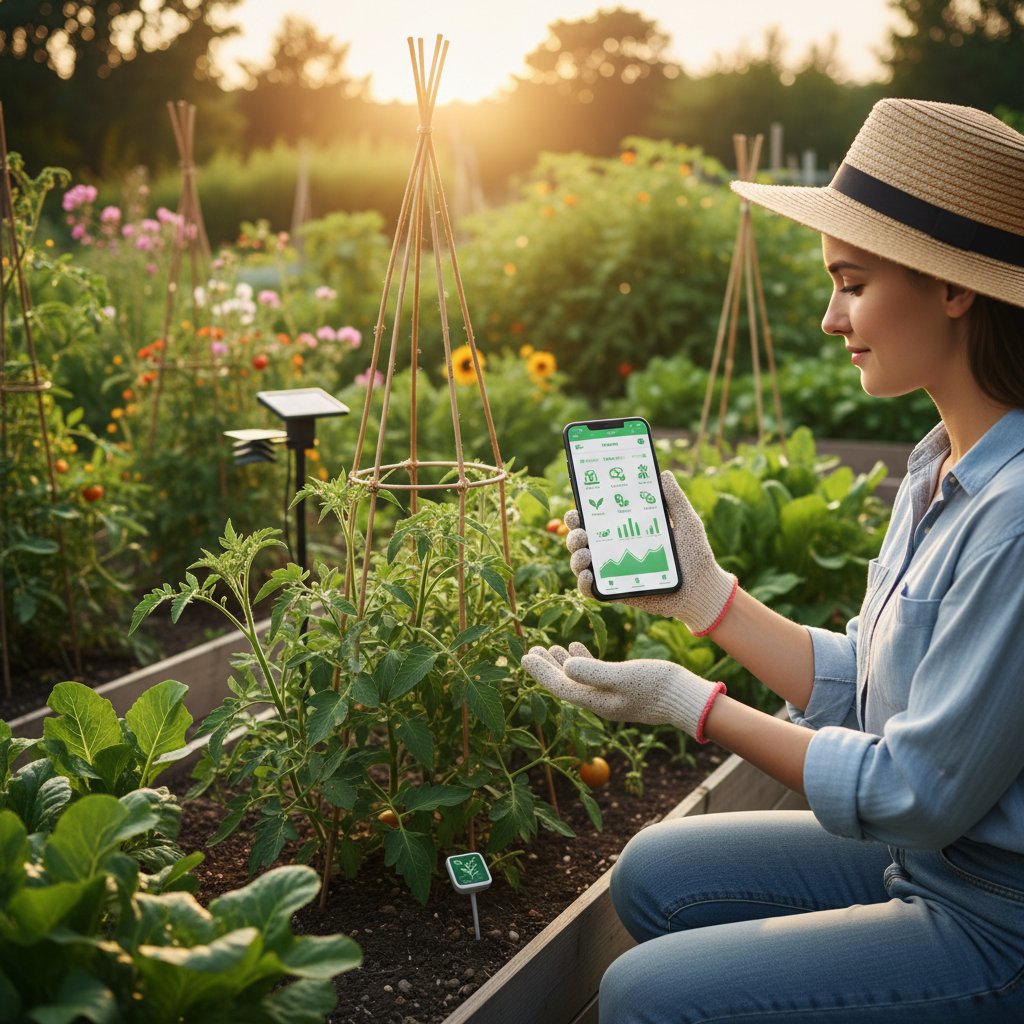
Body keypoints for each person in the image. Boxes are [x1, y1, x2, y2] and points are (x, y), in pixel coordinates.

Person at [522, 97, 1024, 1023]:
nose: (832, 318)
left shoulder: (1015, 516)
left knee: (639, 995)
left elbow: (914, 791)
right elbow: (869, 687)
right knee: (653, 872)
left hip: (998, 916)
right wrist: (706, 597)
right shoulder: (938, 466)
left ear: (954, 289)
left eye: (852, 283)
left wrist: (693, 705)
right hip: (930, 859)